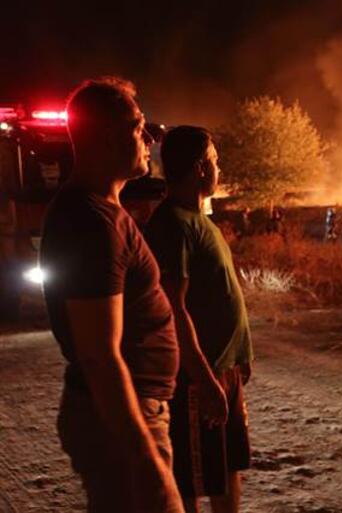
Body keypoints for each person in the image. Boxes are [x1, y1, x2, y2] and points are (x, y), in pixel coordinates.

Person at [39, 78, 184, 512]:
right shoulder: (92, 222)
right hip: (122, 420)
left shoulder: (101, 211)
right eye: (138, 126)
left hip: (128, 414)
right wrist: (145, 459)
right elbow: (100, 355)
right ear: (106, 136)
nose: (148, 138)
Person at [144, 126, 253, 513]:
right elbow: (173, 308)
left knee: (225, 468)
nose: (218, 168)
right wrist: (204, 379)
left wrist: (240, 358)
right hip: (197, 379)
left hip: (222, 370)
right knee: (191, 476)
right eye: (215, 160)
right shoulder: (173, 225)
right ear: (200, 168)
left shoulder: (199, 221)